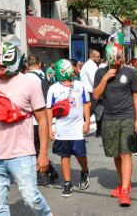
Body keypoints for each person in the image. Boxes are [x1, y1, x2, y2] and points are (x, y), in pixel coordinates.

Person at [0, 42, 52, 215]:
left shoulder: (29, 84)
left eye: (4, 65)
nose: (1, 69)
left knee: (32, 198)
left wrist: (43, 154)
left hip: (22, 154)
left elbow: (42, 119)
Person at [93, 43, 137, 207]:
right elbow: (96, 95)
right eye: (113, 59)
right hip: (109, 118)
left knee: (125, 153)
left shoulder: (130, 72)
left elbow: (136, 96)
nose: (116, 62)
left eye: (118, 58)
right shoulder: (100, 72)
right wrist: (106, 78)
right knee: (115, 154)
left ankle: (125, 191)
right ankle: (123, 184)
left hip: (127, 117)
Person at [46, 59, 91, 197]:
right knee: (64, 156)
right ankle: (67, 183)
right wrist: (50, 128)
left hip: (77, 127)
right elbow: (48, 109)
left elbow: (86, 103)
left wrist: (87, 121)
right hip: (62, 128)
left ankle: (84, 171)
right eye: (69, 68)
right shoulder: (53, 89)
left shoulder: (79, 85)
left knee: (80, 154)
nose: (72, 70)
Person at [26, 55, 59, 186]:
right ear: (39, 64)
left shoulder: (25, 79)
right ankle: (49, 172)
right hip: (44, 117)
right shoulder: (44, 76)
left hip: (33, 119)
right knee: (40, 148)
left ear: (27, 66)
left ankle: (44, 174)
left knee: (34, 149)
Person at [80, 49, 103, 138]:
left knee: (98, 111)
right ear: (92, 57)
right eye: (97, 57)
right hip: (90, 93)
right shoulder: (90, 66)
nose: (99, 58)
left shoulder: (93, 65)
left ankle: (99, 131)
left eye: (99, 56)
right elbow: (95, 81)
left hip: (92, 93)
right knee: (89, 113)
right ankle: (80, 129)